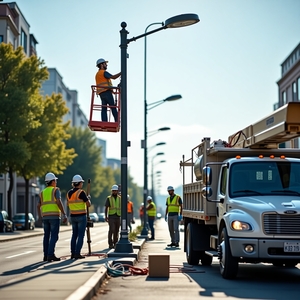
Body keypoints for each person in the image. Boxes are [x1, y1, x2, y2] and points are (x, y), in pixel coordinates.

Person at [37, 172, 68, 262]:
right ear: (53, 181)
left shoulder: (42, 192)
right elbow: (58, 202)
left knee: (46, 236)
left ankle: (46, 255)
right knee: (54, 236)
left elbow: (38, 206)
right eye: (55, 180)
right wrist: (64, 214)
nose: (56, 182)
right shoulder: (55, 190)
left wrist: (39, 217)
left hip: (45, 217)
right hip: (54, 216)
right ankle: (50, 254)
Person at [67, 174, 91, 259]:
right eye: (81, 183)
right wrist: (88, 198)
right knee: (81, 235)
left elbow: (68, 204)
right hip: (81, 216)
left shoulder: (69, 193)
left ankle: (73, 253)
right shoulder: (81, 192)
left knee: (74, 235)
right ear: (80, 183)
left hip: (73, 216)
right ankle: (77, 253)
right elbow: (88, 204)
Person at [95, 58, 121, 123]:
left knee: (104, 108)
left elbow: (105, 83)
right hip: (107, 93)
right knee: (113, 107)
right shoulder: (103, 72)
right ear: (101, 65)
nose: (106, 65)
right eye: (105, 64)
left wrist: (112, 91)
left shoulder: (97, 74)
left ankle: (104, 122)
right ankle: (117, 121)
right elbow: (113, 77)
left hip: (101, 94)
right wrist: (121, 72)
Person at [105, 184, 121, 249]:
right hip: (111, 216)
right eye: (113, 191)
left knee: (116, 231)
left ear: (117, 191)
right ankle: (110, 244)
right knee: (112, 230)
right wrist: (106, 216)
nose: (114, 192)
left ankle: (115, 243)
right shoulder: (109, 198)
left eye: (115, 191)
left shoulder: (120, 198)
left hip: (118, 216)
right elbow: (106, 208)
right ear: (112, 191)